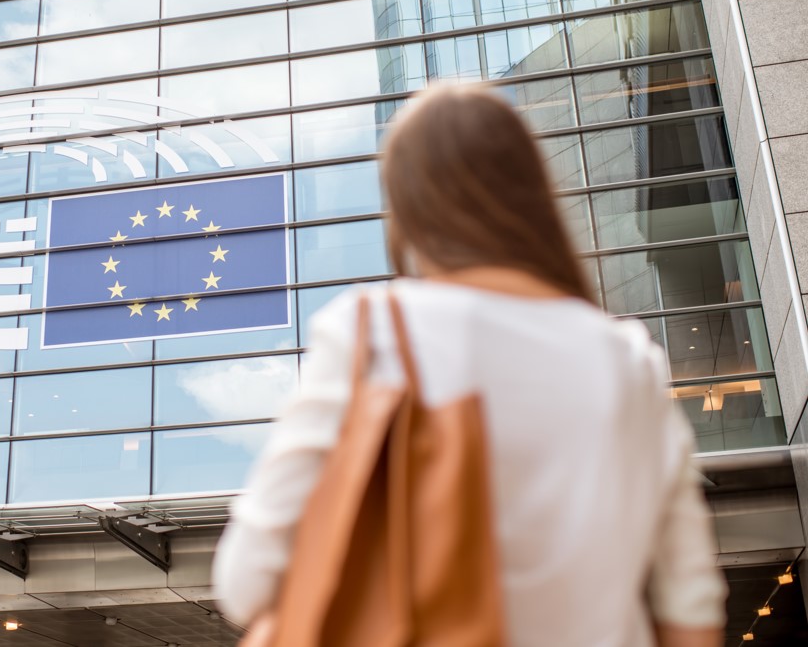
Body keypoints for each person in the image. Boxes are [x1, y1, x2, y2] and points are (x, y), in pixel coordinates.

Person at [212, 84, 727, 647]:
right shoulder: (629, 359)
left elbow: (246, 580)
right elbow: (691, 605)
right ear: (531, 196)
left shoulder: (371, 332)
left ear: (408, 210)